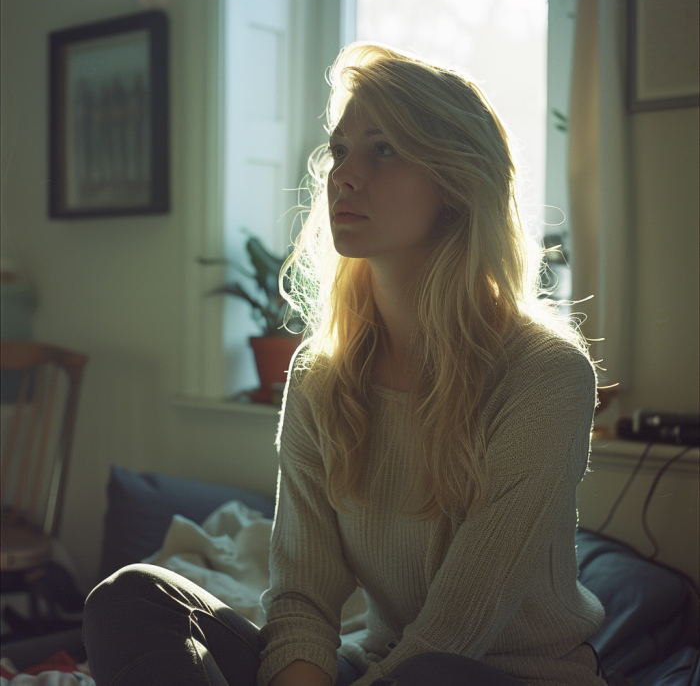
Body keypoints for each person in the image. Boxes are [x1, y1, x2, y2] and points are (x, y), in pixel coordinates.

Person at [82, 43, 610, 686]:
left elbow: (461, 625)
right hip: (378, 666)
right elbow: (302, 595)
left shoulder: (545, 372)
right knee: (134, 596)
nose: (344, 175)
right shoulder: (319, 376)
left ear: (454, 181)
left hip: (505, 674)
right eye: (340, 151)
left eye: (382, 149)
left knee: (431, 676)